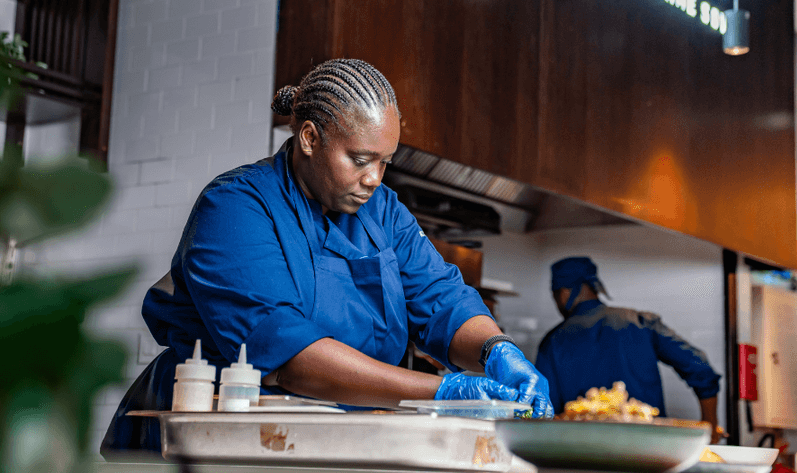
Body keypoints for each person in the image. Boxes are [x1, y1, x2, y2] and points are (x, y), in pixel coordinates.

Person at [102, 59, 552, 454]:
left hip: (329, 434)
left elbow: (442, 298)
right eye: (360, 159)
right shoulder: (236, 208)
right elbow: (291, 354)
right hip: (215, 439)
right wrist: (445, 391)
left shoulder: (384, 211)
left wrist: (497, 349)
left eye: (385, 161)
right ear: (310, 137)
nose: (374, 178)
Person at [534, 257, 723, 441]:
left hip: (582, 453)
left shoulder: (552, 343)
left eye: (555, 294)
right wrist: (711, 426)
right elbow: (701, 369)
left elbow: (544, 411)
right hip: (649, 450)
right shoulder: (640, 322)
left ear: (565, 292)